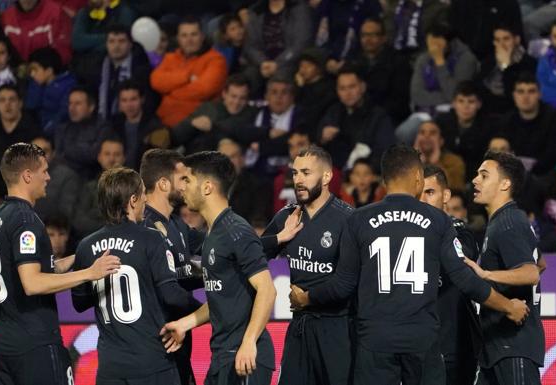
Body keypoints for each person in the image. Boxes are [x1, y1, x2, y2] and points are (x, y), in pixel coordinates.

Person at [289, 144, 530, 385]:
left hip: (374, 342)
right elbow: (465, 278)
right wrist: (508, 306)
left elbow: (343, 284)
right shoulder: (437, 221)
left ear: (383, 179)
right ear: (417, 177)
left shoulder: (358, 219)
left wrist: (307, 298)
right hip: (421, 341)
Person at [0, 142, 120, 385]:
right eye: (44, 171)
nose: (48, 177)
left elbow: (38, 270)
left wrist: (81, 257)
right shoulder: (26, 219)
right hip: (35, 344)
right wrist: (90, 273)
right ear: (27, 176)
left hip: (4, 343)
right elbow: (33, 282)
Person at [71, 166, 198, 385]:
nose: (146, 201)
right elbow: (171, 295)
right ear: (132, 200)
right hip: (152, 363)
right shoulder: (151, 239)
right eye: (142, 195)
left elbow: (80, 303)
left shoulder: (86, 246)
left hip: (111, 368)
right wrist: (207, 310)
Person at [161, 151, 277, 385]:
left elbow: (267, 290)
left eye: (188, 180)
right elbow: (221, 296)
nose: (182, 187)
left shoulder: (236, 231)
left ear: (207, 187)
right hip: (223, 357)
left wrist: (249, 342)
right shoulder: (214, 233)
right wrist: (186, 323)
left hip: (243, 358)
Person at [261, 145, 354, 385]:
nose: (298, 180)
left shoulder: (348, 219)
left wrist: (308, 298)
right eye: (294, 173)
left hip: (337, 329)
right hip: (300, 327)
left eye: (305, 172)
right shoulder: (287, 217)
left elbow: (348, 282)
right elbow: (253, 254)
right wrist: (279, 238)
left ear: (326, 176)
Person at [465, 151, 546, 385]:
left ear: (505, 183)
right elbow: (541, 263)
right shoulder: (504, 221)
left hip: (514, 344)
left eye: (484, 175)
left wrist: (486, 274)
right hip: (497, 344)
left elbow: (531, 272)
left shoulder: (508, 222)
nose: (475, 180)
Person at [139, 148, 205, 385]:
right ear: (164, 184)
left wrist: (275, 238)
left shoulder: (177, 224)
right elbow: (166, 291)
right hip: (158, 343)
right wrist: (212, 312)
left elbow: (220, 248)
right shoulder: (143, 227)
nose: (187, 185)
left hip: (180, 338)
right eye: (183, 179)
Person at [420, 164, 481, 385]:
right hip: (416, 347)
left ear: (445, 195)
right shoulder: (401, 236)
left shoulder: (461, 232)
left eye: (430, 192)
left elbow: (462, 257)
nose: (423, 200)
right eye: (418, 194)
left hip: (456, 346)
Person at [150, 17, 227, 128]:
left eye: (194, 34)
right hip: (163, 120)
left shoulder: (216, 59)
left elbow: (204, 90)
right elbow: (155, 81)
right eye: (184, 35)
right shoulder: (170, 57)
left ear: (202, 37)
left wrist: (170, 91)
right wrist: (186, 77)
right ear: (178, 39)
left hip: (195, 123)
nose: (189, 40)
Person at [317, 66, 395, 170]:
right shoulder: (333, 112)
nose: (348, 93)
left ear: (362, 87)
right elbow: (318, 144)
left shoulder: (378, 116)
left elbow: (385, 152)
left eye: (352, 87)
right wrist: (322, 139)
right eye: (342, 88)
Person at [53, 86, 112, 179]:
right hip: (65, 178)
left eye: (77, 104)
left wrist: (68, 151)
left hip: (91, 179)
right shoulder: (63, 128)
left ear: (91, 107)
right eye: (70, 103)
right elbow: (58, 157)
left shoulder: (103, 128)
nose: (72, 108)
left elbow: (95, 156)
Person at [25, 46, 76, 137]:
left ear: (49, 71)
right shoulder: (37, 84)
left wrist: (47, 130)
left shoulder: (68, 85)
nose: (32, 74)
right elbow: (31, 105)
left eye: (35, 70)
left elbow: (63, 114)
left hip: (60, 133)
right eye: (31, 70)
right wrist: (36, 85)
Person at [111, 80, 161, 170]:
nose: (129, 105)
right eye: (124, 100)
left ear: (142, 99)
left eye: (133, 99)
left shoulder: (154, 125)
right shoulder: (114, 123)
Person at [1, 0, 72, 64]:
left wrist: (41, 68)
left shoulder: (56, 13)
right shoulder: (6, 17)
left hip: (48, 73)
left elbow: (63, 52)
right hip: (14, 73)